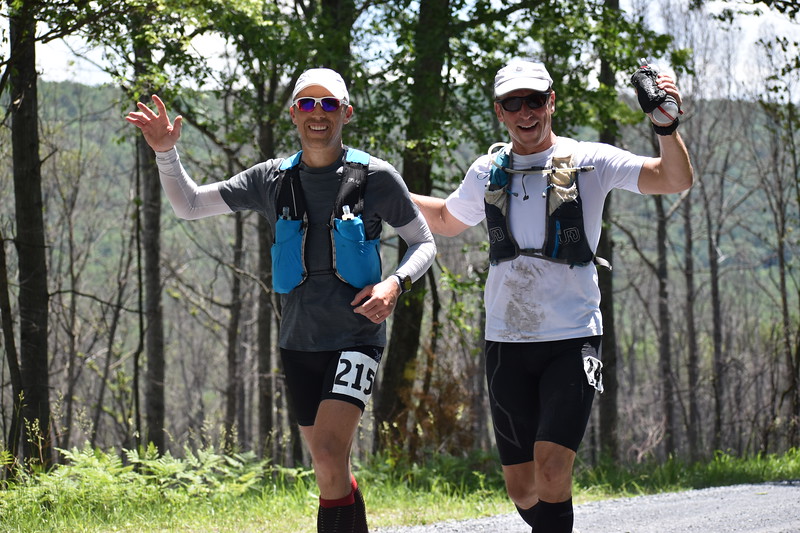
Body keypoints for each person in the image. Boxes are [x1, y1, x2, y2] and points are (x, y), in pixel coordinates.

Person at [126, 68, 436, 533]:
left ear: (346, 114)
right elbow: (188, 205)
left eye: (329, 104)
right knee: (330, 469)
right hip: (299, 341)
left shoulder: (376, 177)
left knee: (330, 458)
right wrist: (166, 153)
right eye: (307, 104)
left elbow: (424, 242)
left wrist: (395, 283)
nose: (317, 113)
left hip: (357, 336)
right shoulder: (271, 179)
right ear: (293, 113)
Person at [411, 59, 693, 533]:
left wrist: (665, 124)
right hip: (506, 339)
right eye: (513, 103)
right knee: (523, 488)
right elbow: (445, 221)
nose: (526, 113)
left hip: (572, 337)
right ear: (500, 111)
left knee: (552, 471)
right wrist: (384, 192)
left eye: (535, 100)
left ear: (552, 102)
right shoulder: (487, 170)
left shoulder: (591, 161)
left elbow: (673, 179)